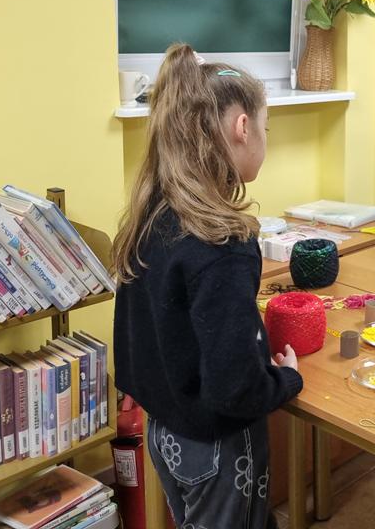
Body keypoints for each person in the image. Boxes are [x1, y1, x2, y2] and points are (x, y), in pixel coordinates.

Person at [112, 44, 301, 529]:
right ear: (243, 128)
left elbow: (143, 341)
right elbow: (236, 390)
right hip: (219, 449)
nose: (263, 137)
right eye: (265, 127)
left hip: (166, 434)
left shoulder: (151, 217)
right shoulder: (224, 245)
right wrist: (285, 379)